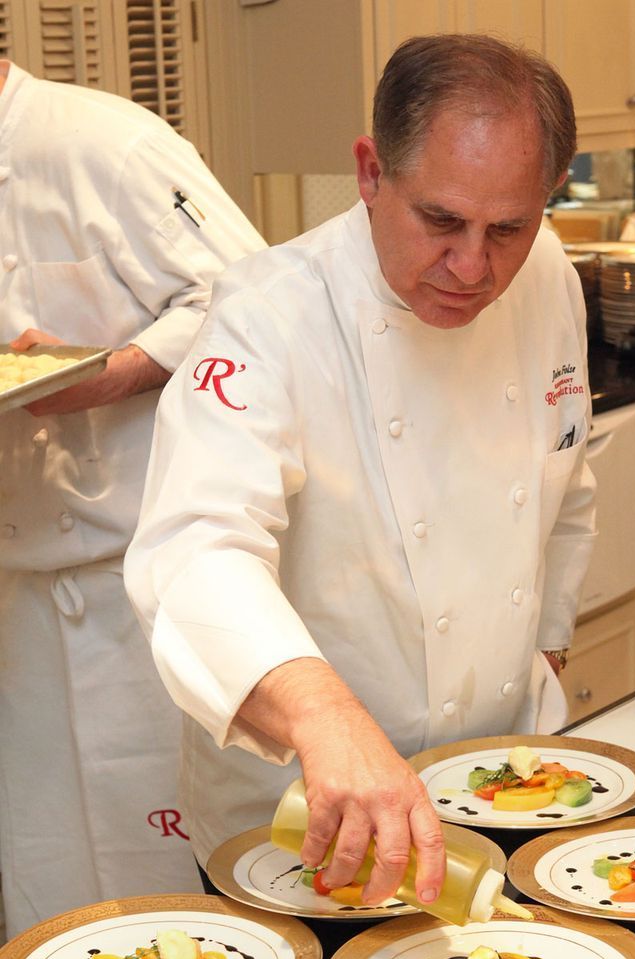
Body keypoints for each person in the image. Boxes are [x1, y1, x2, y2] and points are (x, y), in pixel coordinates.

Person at [124, 35, 596, 909]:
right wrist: (326, 721)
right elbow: (196, 550)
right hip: (304, 810)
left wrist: (548, 645)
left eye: (508, 229)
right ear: (371, 171)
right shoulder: (267, 314)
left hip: (501, 782)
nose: (473, 267)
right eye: (441, 221)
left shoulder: (551, 276)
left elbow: (568, 472)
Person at [0, 60, 265, 938]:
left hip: (134, 584)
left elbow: (248, 298)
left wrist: (112, 370)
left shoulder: (107, 145)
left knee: (166, 876)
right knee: (41, 867)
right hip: (14, 593)